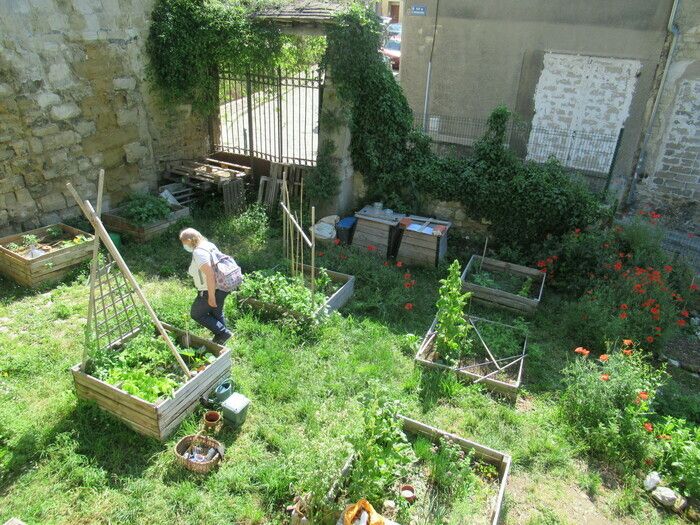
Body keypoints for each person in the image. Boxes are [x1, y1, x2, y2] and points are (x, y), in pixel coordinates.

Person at [180, 227, 236, 345]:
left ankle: (223, 333)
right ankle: (222, 340)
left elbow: (210, 275)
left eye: (184, 242)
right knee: (216, 312)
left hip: (210, 289)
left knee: (197, 314)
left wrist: (211, 296)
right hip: (222, 287)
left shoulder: (199, 252)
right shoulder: (209, 245)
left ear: (190, 240)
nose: (184, 245)